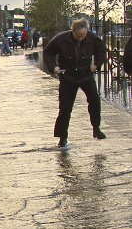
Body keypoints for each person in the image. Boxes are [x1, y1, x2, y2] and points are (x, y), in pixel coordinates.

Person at [43, 18, 107, 148]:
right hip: (68, 76)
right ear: (73, 31)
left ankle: (96, 128)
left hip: (85, 74)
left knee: (95, 100)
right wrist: (53, 67)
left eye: (83, 36)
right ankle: (62, 137)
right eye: (78, 36)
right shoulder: (61, 39)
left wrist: (97, 64)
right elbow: (48, 52)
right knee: (65, 108)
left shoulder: (92, 38)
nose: (81, 39)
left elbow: (102, 51)